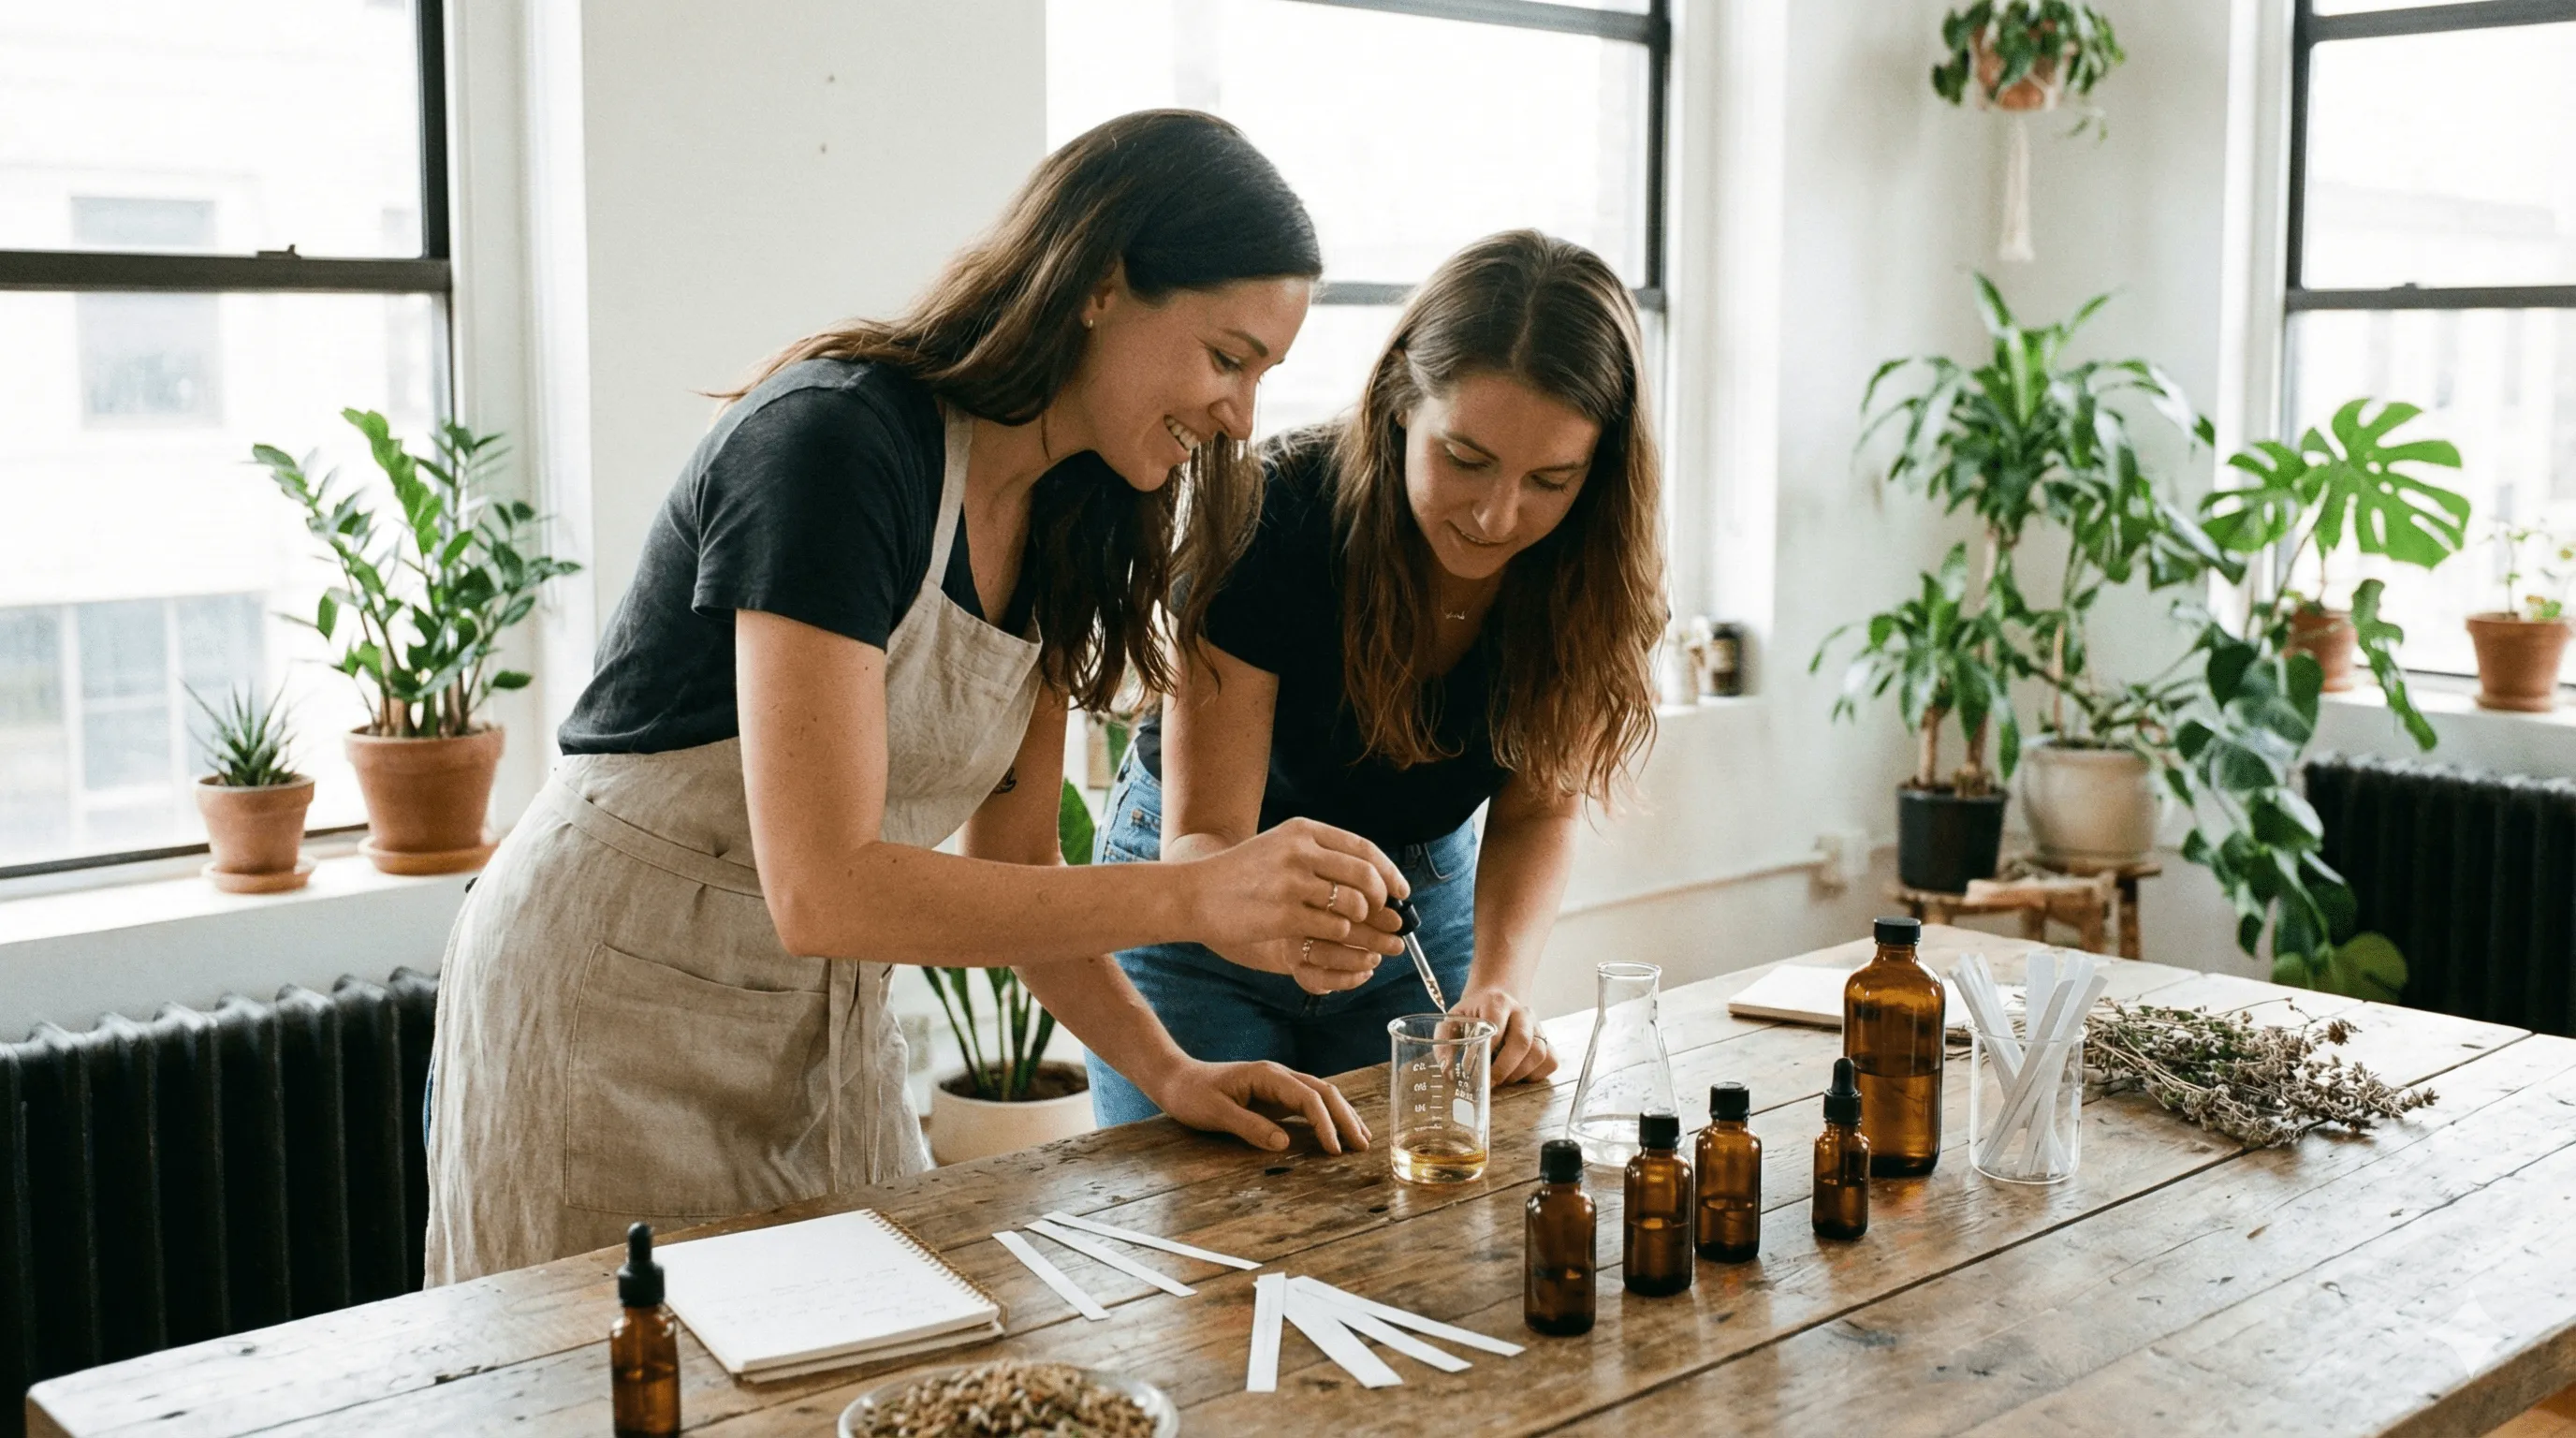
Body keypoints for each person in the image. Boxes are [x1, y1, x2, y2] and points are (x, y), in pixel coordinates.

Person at [423, 110, 1411, 1285]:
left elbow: (1021, 874)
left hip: (817, 1028)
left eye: (1265, 375)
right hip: (605, 1006)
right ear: (1100, 285)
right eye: (1226, 357)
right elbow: (825, 887)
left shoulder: (1070, 518)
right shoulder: (836, 445)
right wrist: (1198, 895)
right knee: (610, 1380)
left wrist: (1172, 1074)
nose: (1240, 416)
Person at [1087, 229, 1667, 1124]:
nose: (1496, 515)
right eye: (1465, 458)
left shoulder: (1593, 570)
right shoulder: (1273, 510)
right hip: (1203, 905)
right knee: (1206, 1241)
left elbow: (1539, 809)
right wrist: (1285, 928)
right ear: (1400, 400)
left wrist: (1500, 986)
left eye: (1550, 479)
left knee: (1412, 1224)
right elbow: (1203, 838)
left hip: (1415, 910)